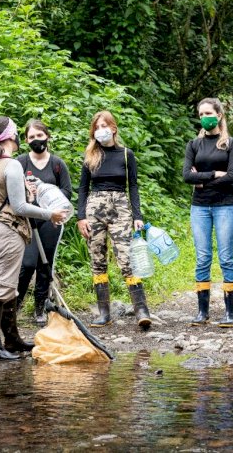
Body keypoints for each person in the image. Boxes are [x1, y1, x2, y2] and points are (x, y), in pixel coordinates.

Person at [0, 116, 69, 360]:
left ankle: (13, 340)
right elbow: (19, 207)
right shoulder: (13, 164)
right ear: (9, 136)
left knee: (7, 287)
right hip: (5, 232)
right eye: (17, 132)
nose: (20, 137)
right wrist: (50, 213)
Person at [76, 111, 151, 329]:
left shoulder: (126, 154)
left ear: (113, 128)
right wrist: (81, 217)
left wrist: (137, 215)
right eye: (96, 127)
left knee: (127, 258)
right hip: (95, 208)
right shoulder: (90, 156)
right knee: (97, 259)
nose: (100, 130)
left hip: (120, 208)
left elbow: (133, 186)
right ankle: (104, 313)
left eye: (104, 126)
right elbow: (82, 188)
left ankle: (142, 310)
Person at [183, 98, 233, 328]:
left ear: (218, 115)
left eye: (208, 112)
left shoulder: (231, 144)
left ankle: (230, 313)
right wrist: (214, 175)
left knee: (226, 258)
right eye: (201, 113)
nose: (204, 117)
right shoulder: (193, 145)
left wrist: (202, 180)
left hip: (226, 206)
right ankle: (202, 312)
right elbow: (187, 176)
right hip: (199, 208)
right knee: (202, 257)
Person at [16, 120, 73, 326]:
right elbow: (11, 191)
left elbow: (67, 192)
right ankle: (15, 306)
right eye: (31, 137)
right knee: (27, 264)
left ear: (47, 137)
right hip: (28, 220)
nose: (36, 140)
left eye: (39, 136)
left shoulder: (57, 164)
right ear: (25, 140)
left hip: (52, 220)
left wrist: (45, 190)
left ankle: (39, 308)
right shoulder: (20, 163)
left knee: (45, 264)